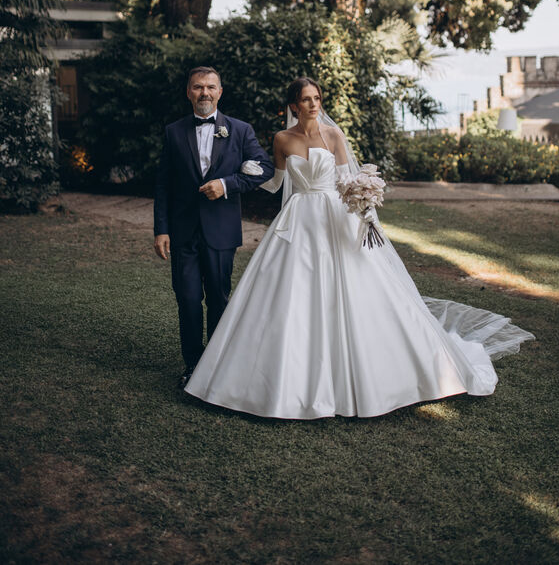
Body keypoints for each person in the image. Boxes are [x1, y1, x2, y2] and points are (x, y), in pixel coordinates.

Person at [184, 77, 535, 419]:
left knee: (358, 290)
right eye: (306, 99)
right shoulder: (281, 139)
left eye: (317, 99)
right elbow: (277, 184)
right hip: (297, 221)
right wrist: (249, 171)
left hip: (334, 218)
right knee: (288, 292)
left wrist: (364, 201)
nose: (313, 104)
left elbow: (345, 180)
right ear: (293, 105)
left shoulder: (334, 134)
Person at [154, 66, 274, 388]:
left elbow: (264, 168)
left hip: (221, 231)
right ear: (188, 92)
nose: (204, 93)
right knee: (188, 298)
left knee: (219, 299)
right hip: (182, 232)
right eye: (197, 87)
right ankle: (193, 366)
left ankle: (220, 365)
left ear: (220, 92)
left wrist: (227, 183)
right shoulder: (173, 132)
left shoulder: (240, 130)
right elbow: (163, 184)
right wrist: (161, 229)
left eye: (210, 87)